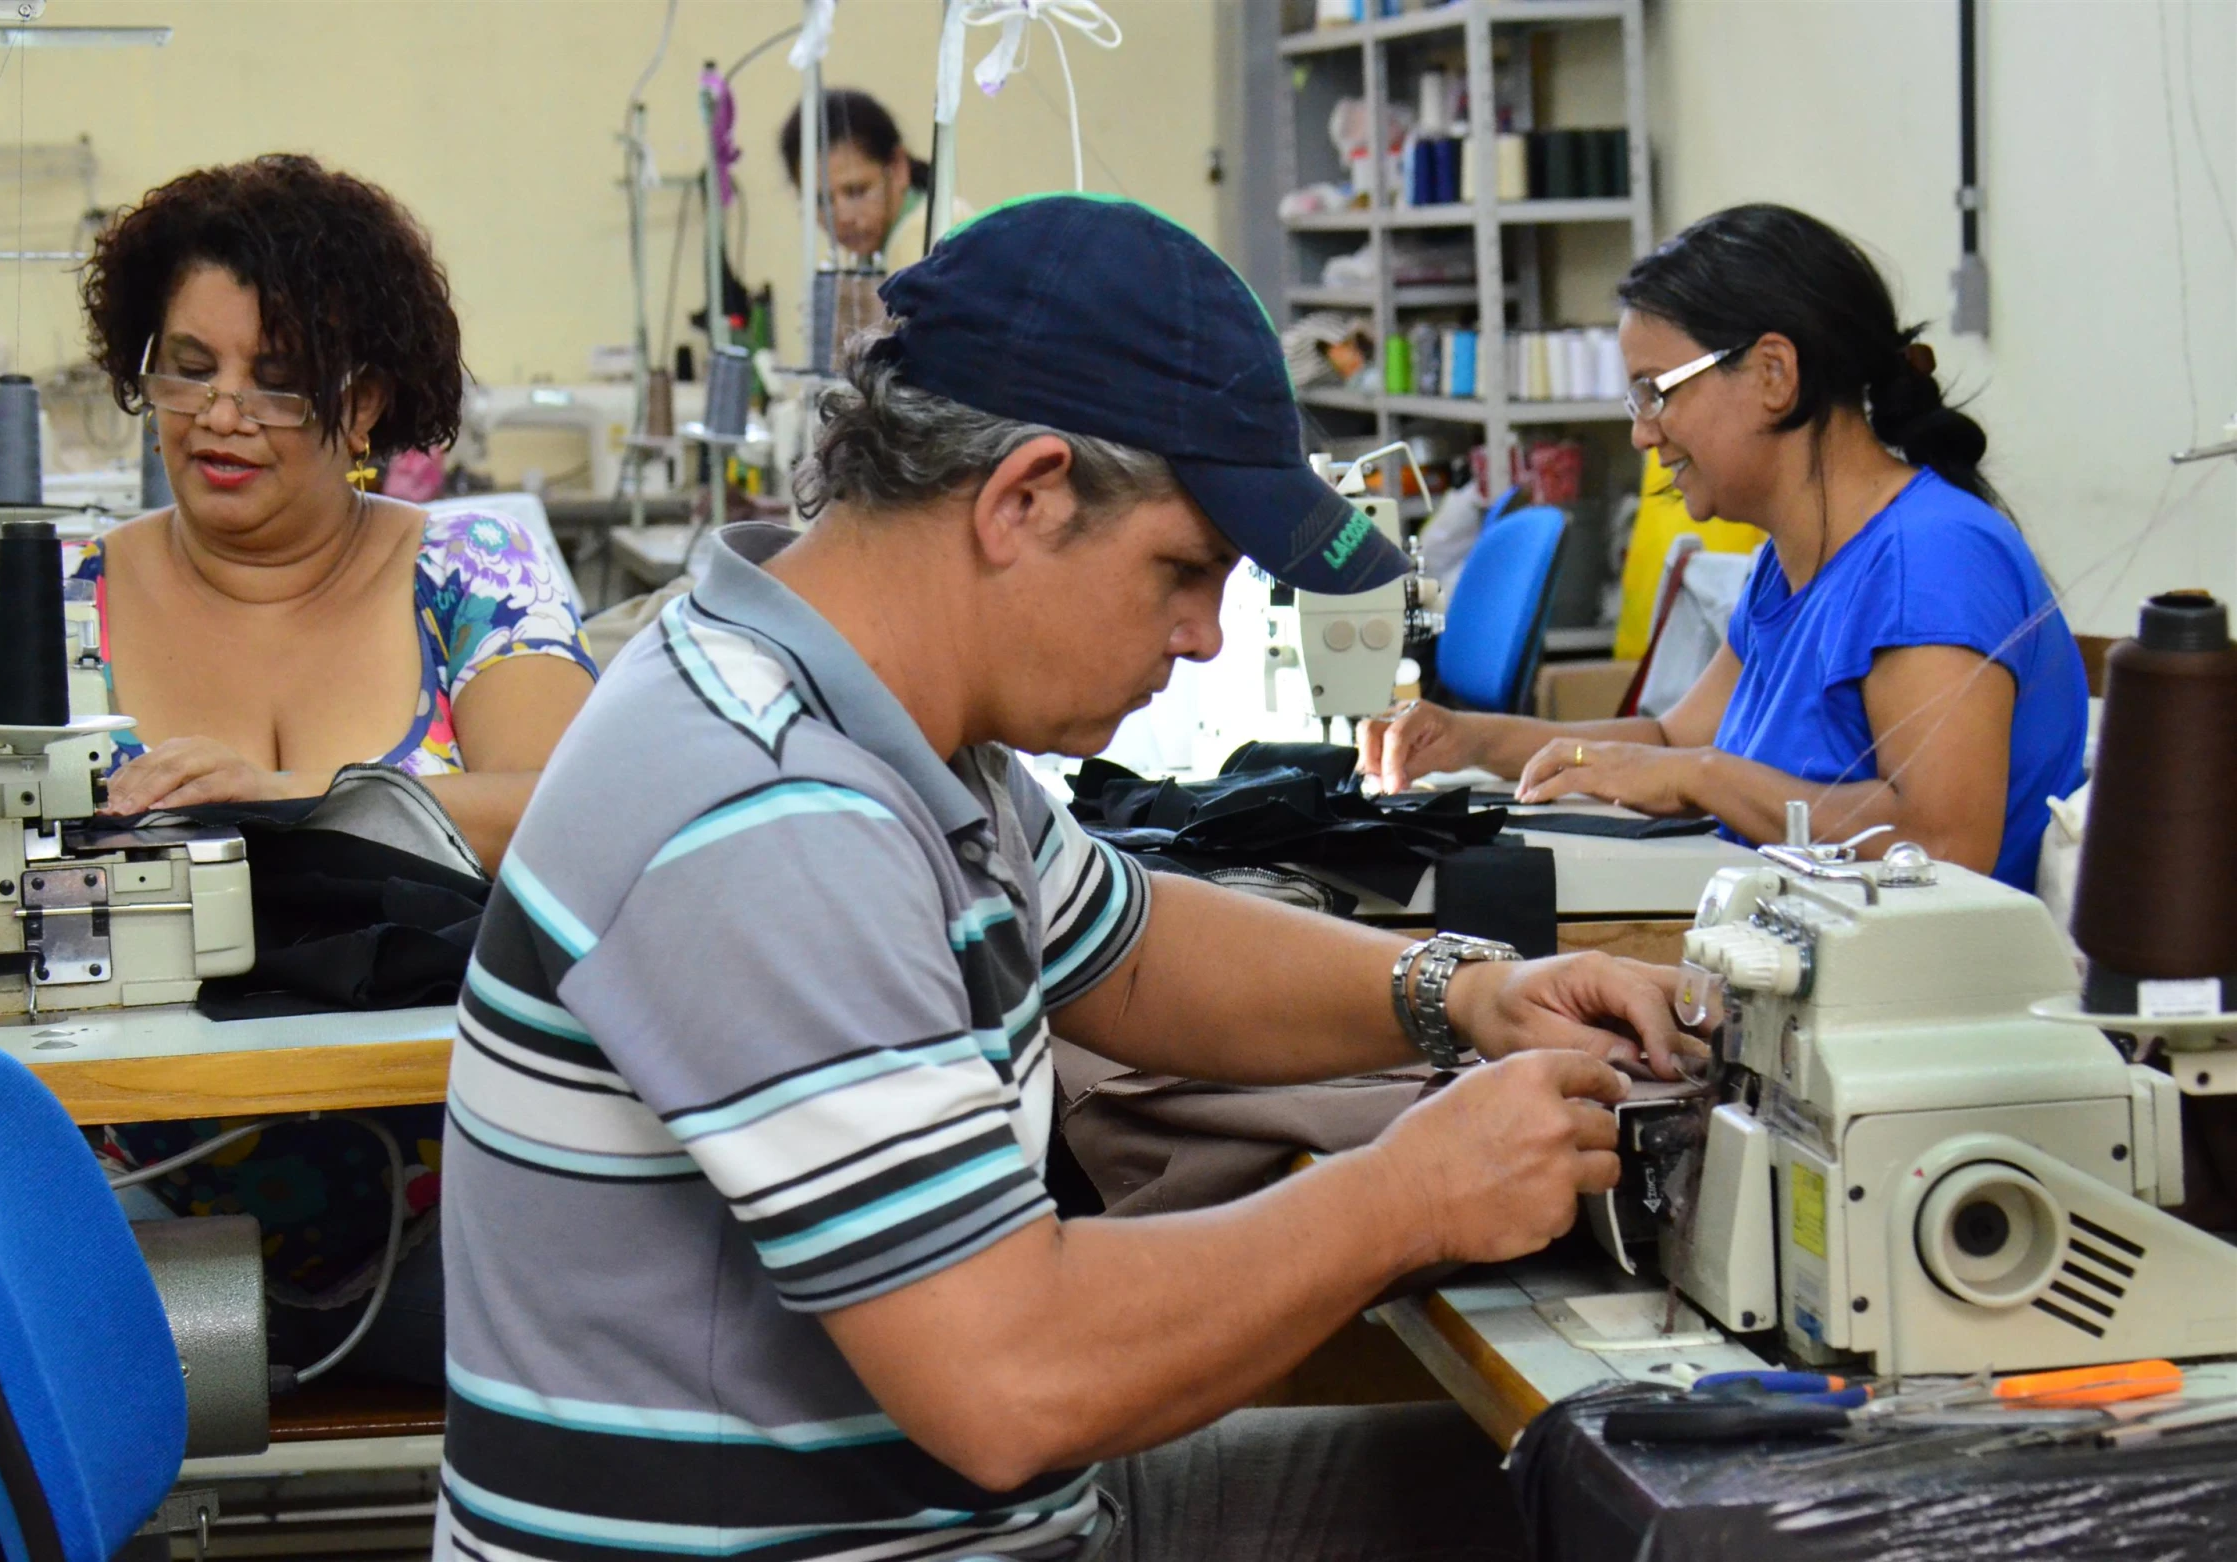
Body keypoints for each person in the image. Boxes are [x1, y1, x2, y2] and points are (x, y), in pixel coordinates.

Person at [437, 195, 1703, 1562]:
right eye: (1182, 569)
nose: (1205, 636)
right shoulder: (766, 810)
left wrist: (1470, 993)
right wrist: (1412, 1194)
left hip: (969, 1520)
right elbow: (1012, 1378)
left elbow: (1130, 946)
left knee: (1607, 1498)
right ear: (1022, 496)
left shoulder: (882, 718)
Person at [73, 154, 598, 1385]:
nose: (220, 415)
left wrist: (301, 809)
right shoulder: (60, 602)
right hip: (129, 1219)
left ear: (362, 403)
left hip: (465, 1217)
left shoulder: (473, 573)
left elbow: (579, 815)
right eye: (189, 368)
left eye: (277, 379)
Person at [1363, 204, 2086, 892]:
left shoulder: (1933, 559)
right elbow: (1670, 739)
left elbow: (1942, 844)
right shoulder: (1791, 565)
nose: (1644, 433)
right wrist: (1468, 741)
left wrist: (1705, 777)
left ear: (1774, 374)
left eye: (1656, 392)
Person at [778, 87, 941, 268]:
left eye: (857, 192)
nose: (843, 218)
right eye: (821, 200)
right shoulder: (874, 254)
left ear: (897, 169)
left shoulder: (926, 238)